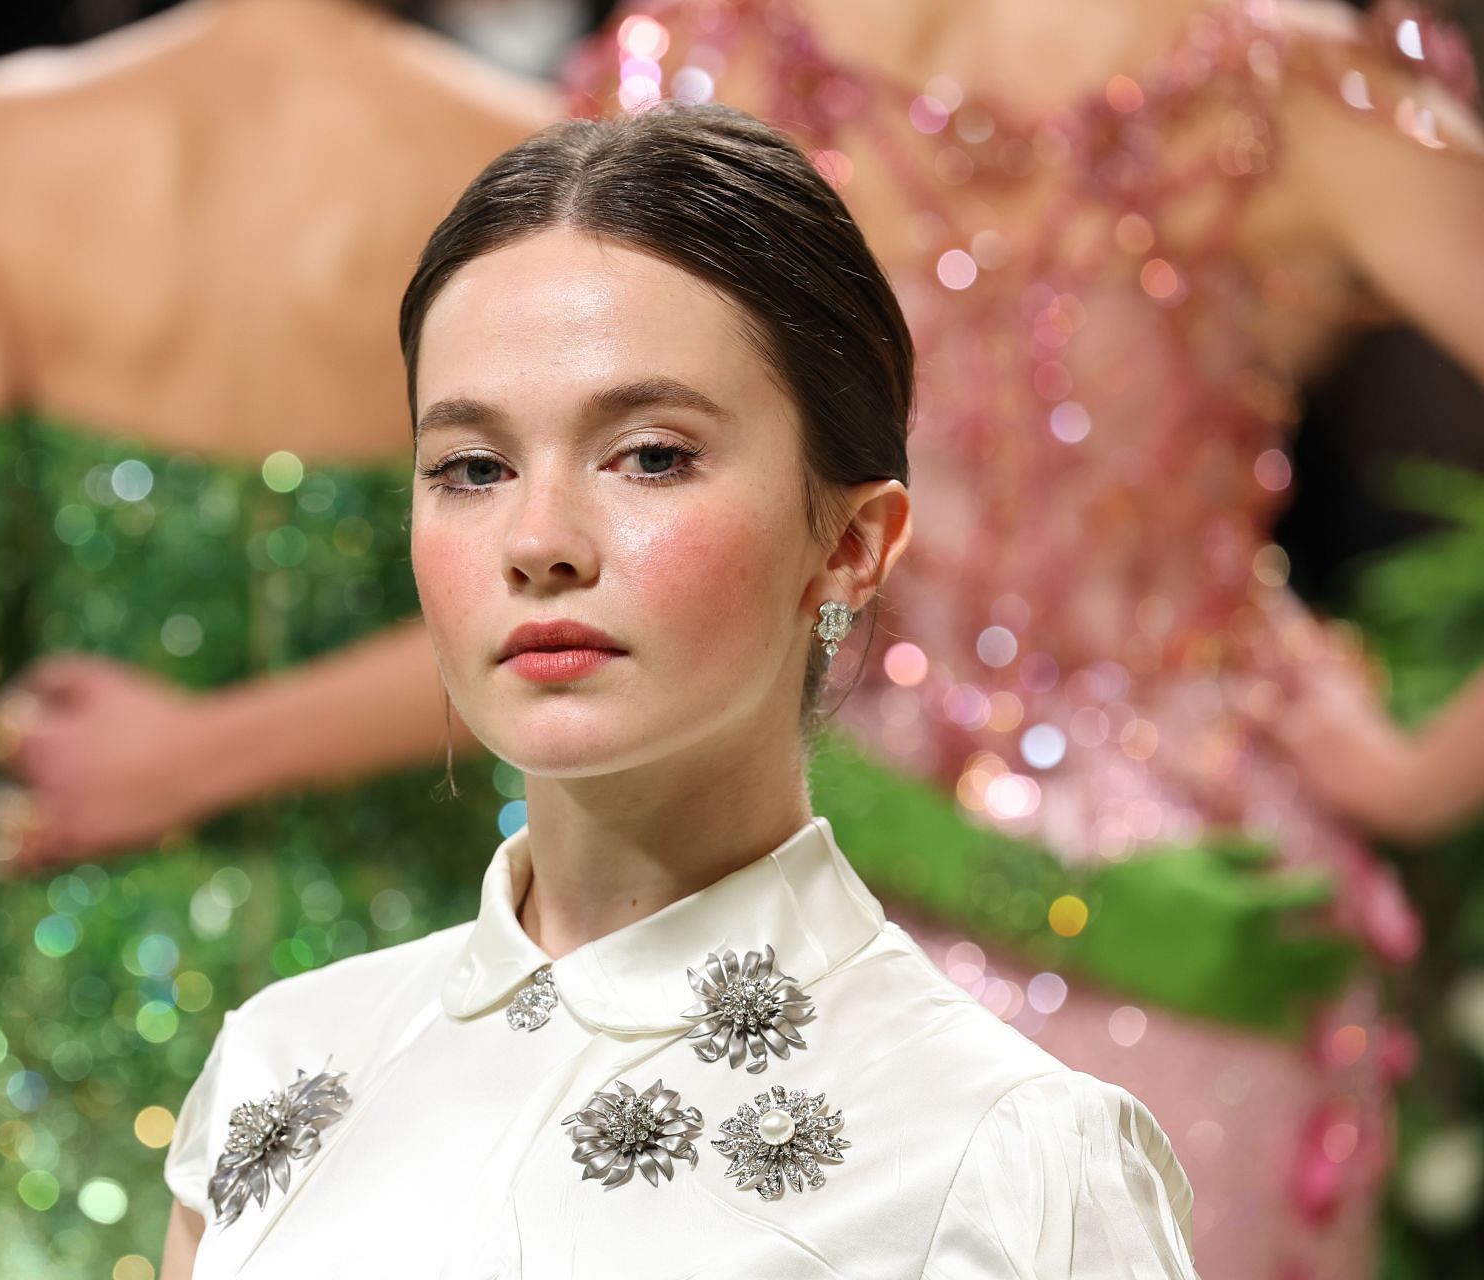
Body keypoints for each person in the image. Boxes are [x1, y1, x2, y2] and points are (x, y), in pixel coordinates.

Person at [158, 103, 1199, 1278]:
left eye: (651, 454)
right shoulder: (282, 1069)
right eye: (472, 468)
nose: (539, 539)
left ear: (854, 542)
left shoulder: (1005, 1151)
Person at [556, 0, 1484, 1273]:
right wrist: (1419, 777)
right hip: (1160, 879)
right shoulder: (1282, 80)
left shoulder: (697, 62)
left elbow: (541, 524)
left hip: (798, 853)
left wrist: (1429, 771)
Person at [0, 1, 556, 1274]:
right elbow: (567, 616)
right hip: (413, 1012)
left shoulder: (5, 141)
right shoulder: (537, 170)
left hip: (49, 1017)